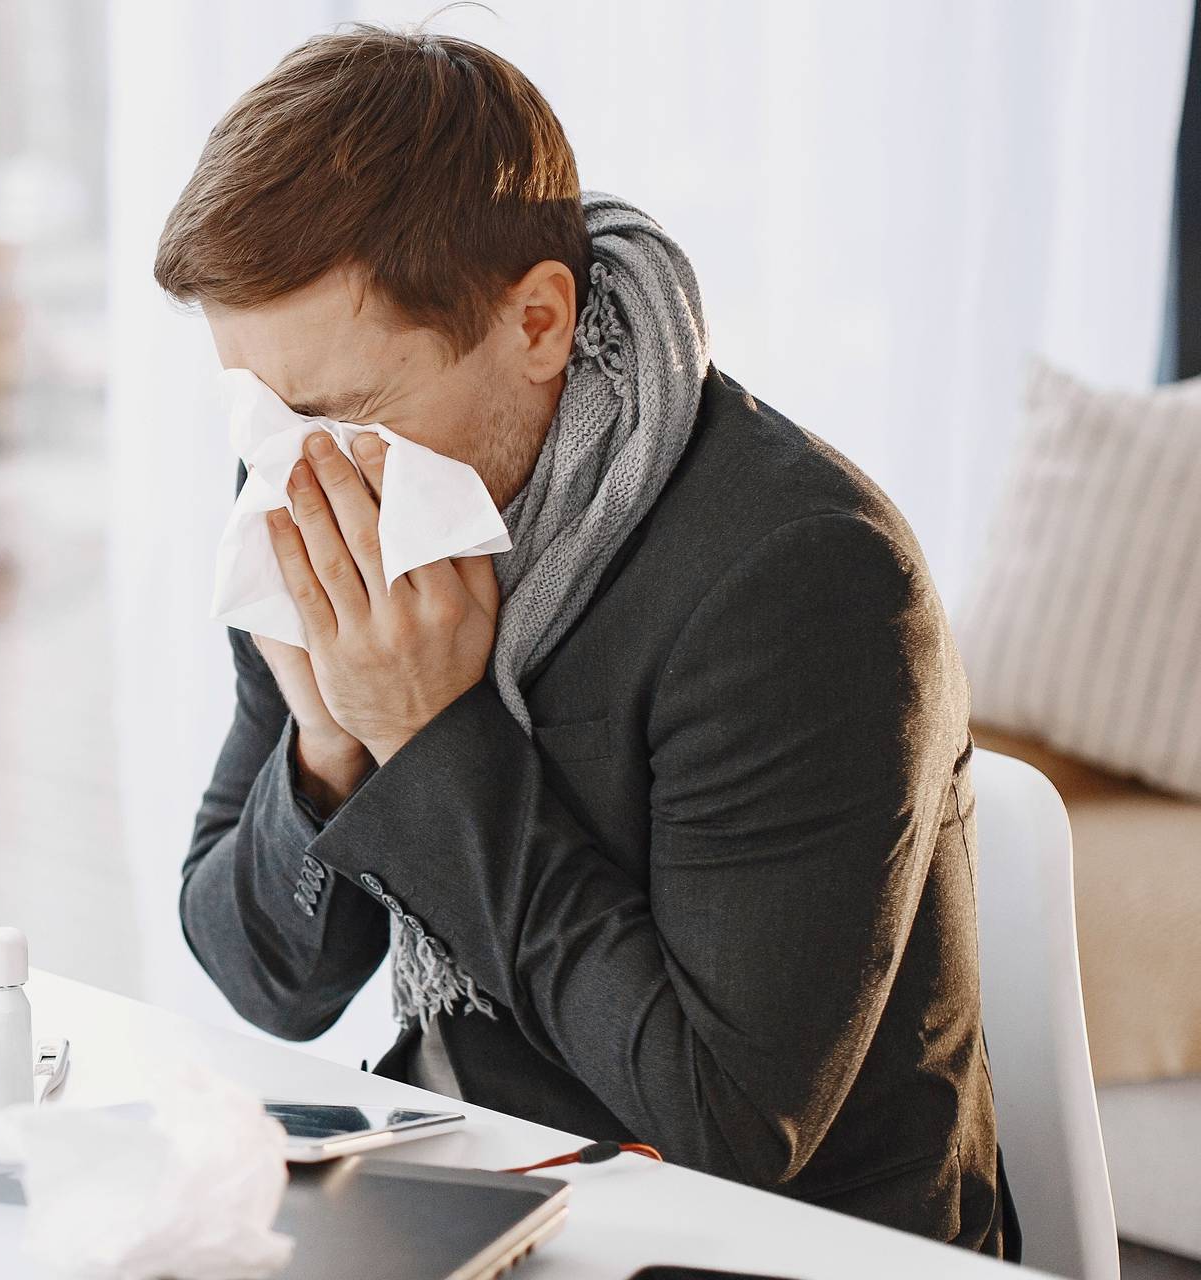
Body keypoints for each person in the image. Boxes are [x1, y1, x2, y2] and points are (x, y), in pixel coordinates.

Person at [167, 25, 1012, 1256]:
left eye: (344, 409)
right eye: (257, 406)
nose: (294, 465)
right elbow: (268, 981)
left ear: (540, 324)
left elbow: (729, 1123)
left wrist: (427, 736)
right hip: (464, 1187)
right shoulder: (313, 468)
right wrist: (328, 746)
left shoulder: (804, 578)